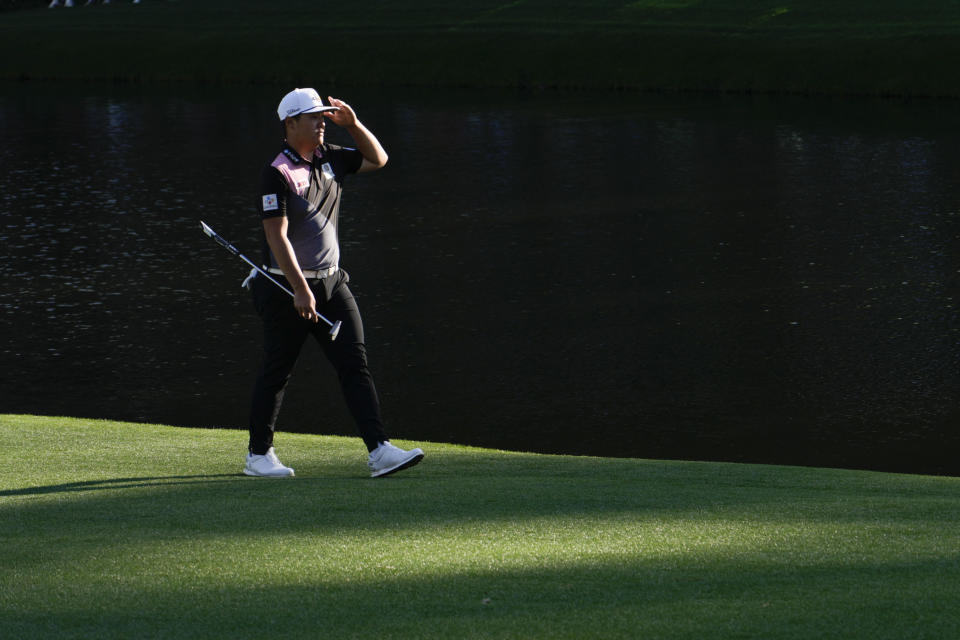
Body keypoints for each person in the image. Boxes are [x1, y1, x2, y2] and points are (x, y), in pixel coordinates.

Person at [244, 87, 423, 479]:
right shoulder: (277, 172)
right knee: (278, 370)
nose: (322, 122)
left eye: (324, 115)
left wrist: (354, 124)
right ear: (290, 124)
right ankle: (259, 456)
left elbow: (379, 159)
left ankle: (379, 451)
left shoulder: (331, 158)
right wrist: (300, 290)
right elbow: (277, 237)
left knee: (354, 364)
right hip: (285, 289)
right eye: (314, 117)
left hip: (332, 284)